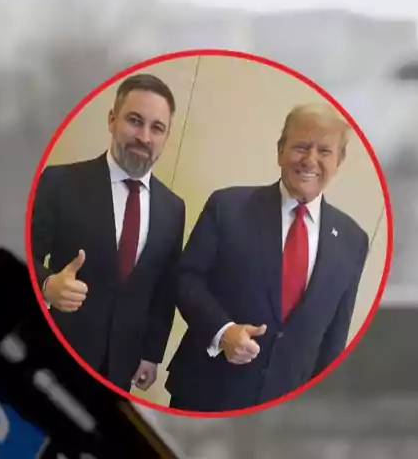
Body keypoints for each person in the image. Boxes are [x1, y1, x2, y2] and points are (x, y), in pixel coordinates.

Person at [166, 102, 371, 413]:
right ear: (280, 151)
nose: (310, 160)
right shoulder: (227, 206)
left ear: (339, 161)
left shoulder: (353, 241)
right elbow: (186, 280)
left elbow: (333, 336)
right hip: (206, 394)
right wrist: (223, 332)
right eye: (301, 146)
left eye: (324, 151)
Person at [29, 73, 187, 393]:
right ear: (112, 120)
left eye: (156, 128)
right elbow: (24, 253)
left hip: (120, 370)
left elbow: (163, 290)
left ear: (166, 136)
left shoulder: (174, 208)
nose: (144, 136)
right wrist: (46, 284)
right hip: (56, 355)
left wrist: (151, 354)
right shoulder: (60, 182)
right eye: (134, 121)